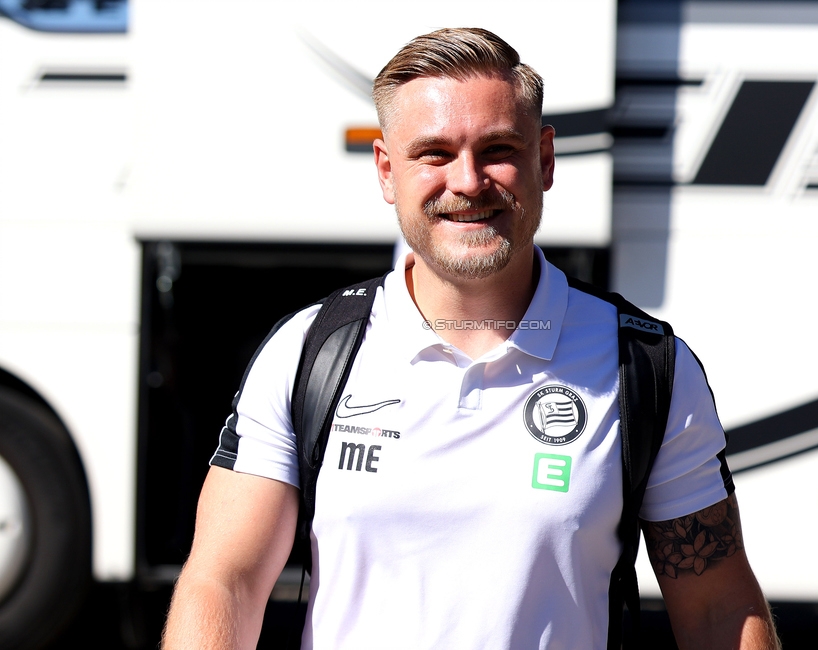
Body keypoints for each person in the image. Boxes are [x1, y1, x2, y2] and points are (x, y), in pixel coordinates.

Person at [163, 27, 779, 650]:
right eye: (433, 153)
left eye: (497, 149)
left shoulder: (646, 366)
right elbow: (225, 583)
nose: (467, 181)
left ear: (545, 159)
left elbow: (719, 612)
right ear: (386, 171)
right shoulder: (308, 352)